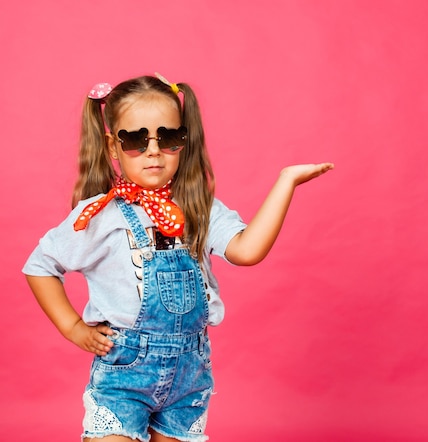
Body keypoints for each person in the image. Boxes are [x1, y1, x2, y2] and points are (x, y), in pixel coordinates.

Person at [23, 73, 333, 442]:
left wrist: (286, 182)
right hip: (125, 372)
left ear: (183, 142)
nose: (153, 150)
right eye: (136, 139)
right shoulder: (100, 214)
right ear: (112, 146)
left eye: (167, 137)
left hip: (189, 373)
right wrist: (73, 328)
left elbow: (247, 250)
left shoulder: (199, 208)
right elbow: (41, 266)